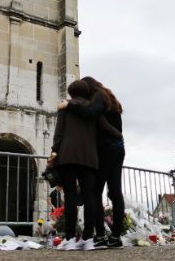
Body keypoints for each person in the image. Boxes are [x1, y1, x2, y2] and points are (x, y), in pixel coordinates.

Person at [49, 79, 121, 251]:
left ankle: (71, 239)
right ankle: (89, 239)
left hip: (69, 156)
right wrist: (118, 135)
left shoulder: (66, 106)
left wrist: (54, 151)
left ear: (71, 92)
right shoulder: (92, 108)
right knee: (89, 197)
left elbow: (59, 132)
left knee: (71, 197)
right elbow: (107, 128)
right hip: (90, 159)